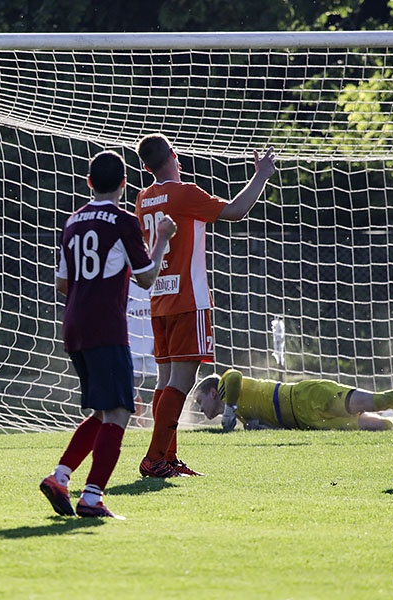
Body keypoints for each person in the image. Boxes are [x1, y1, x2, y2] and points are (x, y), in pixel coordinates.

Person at [39, 150, 176, 518]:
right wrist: (161, 237)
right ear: (123, 184)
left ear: (88, 183)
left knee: (104, 411)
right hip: (106, 327)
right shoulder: (122, 221)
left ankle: (60, 477)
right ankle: (92, 497)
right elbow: (147, 278)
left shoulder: (73, 222)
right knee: (119, 412)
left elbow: (62, 285)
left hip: (74, 325)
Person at [134, 133, 276, 478]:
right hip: (188, 299)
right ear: (172, 155)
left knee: (165, 380)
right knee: (182, 380)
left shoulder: (143, 198)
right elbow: (237, 211)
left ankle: (166, 457)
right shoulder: (184, 193)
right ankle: (155, 458)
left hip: (160, 299)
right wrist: (261, 175)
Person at [192, 369, 393, 432]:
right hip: (308, 422)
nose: (199, 408)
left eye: (199, 401)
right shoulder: (239, 415)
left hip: (307, 395)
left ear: (212, 393)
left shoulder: (227, 385)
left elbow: (234, 376)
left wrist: (229, 409)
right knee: (372, 426)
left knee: (373, 401)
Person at [127, 279, 155, 426]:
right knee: (132, 385)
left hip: (154, 346)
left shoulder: (154, 283)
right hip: (132, 345)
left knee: (163, 381)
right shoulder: (125, 285)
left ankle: (161, 418)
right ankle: (139, 422)